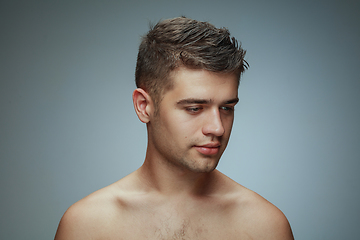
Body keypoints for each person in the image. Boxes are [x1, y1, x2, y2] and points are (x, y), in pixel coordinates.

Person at [54, 17, 294, 240]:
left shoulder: (265, 226)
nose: (217, 128)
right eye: (194, 108)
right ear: (144, 106)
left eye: (226, 108)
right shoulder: (87, 226)